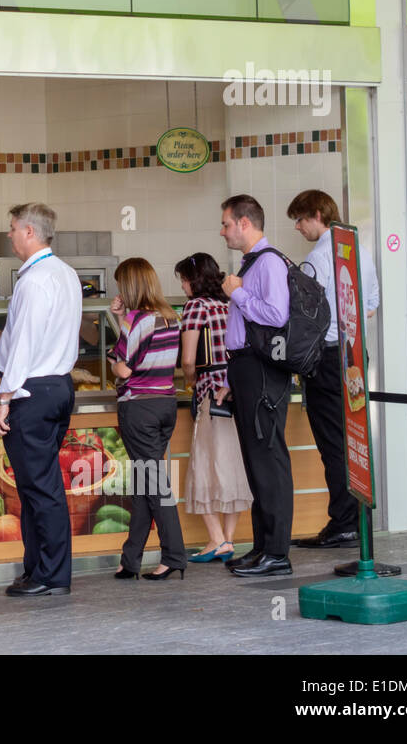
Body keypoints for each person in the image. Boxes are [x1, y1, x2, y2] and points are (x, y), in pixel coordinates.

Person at [0, 203, 82, 597]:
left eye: (12, 228)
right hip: (59, 387)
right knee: (34, 487)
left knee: (40, 489)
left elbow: (23, 345)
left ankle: (51, 576)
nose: (9, 235)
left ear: (29, 231)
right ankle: (38, 570)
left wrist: (3, 398)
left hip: (32, 392)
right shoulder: (66, 274)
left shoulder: (32, 281)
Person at [287, 189, 380, 549]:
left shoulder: (318, 257)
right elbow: (370, 304)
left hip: (326, 359)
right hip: (355, 356)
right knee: (354, 439)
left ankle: (343, 523)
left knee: (333, 444)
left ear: (316, 214)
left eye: (300, 219)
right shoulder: (358, 252)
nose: (298, 227)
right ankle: (358, 521)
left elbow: (307, 315)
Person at [219, 195, 294, 578]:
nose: (223, 230)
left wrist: (237, 293)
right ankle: (263, 546)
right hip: (248, 370)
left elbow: (276, 315)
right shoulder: (253, 263)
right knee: (255, 460)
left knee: (268, 458)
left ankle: (277, 553)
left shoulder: (267, 263)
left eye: (227, 223)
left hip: (263, 370)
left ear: (245, 223)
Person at [107, 257, 186, 580]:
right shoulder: (171, 318)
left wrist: (114, 365)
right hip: (165, 406)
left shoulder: (136, 321)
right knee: (145, 481)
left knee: (154, 485)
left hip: (138, 409)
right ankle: (131, 559)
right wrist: (122, 317)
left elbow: (123, 367)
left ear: (129, 286)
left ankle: (175, 556)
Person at [175, 253, 252, 563]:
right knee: (232, 465)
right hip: (236, 391)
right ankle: (228, 540)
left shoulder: (196, 307)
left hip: (211, 393)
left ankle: (216, 539)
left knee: (205, 465)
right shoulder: (229, 303)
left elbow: (189, 359)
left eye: (183, 279)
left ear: (194, 279)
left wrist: (191, 381)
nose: (181, 285)